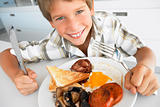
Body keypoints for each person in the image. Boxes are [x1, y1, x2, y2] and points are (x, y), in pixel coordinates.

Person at [0, 0, 159, 96]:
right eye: (60, 18)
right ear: (52, 23)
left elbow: (143, 51)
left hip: (126, 90)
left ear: (91, 8)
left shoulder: (109, 25)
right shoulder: (52, 45)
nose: (74, 26)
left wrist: (145, 67)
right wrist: (16, 75)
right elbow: (7, 54)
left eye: (79, 11)